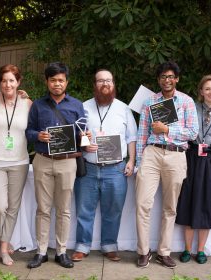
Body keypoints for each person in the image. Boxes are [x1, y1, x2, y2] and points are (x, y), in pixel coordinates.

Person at [25, 62, 89, 269]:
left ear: (66, 82)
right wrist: (38, 135)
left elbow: (83, 134)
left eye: (60, 80)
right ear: (47, 82)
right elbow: (28, 132)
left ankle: (61, 251)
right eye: (53, 80)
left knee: (64, 210)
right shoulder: (38, 105)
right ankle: (41, 251)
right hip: (43, 160)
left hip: (68, 162)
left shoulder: (77, 105)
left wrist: (84, 136)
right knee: (43, 209)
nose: (57, 84)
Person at [135, 61, 198, 269]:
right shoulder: (149, 102)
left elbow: (193, 133)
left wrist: (167, 130)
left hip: (176, 154)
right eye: (163, 77)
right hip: (151, 153)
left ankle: (164, 252)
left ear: (177, 79)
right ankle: (143, 252)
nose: (167, 80)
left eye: (171, 76)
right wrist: (138, 162)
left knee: (170, 207)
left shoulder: (187, 102)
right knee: (143, 204)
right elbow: (142, 132)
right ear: (158, 80)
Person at [71, 69, 137, 262]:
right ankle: (82, 246)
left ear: (113, 84)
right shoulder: (82, 107)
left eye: (108, 80)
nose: (105, 84)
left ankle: (109, 246)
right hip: (88, 168)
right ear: (95, 85)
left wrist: (131, 161)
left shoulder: (123, 108)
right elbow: (78, 134)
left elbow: (131, 137)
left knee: (113, 210)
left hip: (115, 169)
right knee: (84, 210)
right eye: (101, 81)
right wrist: (85, 144)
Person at [176, 75, 211, 264]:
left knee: (206, 202)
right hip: (192, 158)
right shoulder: (191, 108)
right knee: (190, 200)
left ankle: (201, 250)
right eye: (207, 89)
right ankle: (187, 249)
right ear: (201, 91)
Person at [0, 64, 32, 266]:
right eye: (4, 80)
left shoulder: (27, 102)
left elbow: (34, 128)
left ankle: (4, 248)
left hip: (19, 160)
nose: (8, 84)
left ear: (18, 82)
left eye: (12, 80)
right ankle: (2, 236)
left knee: (12, 207)